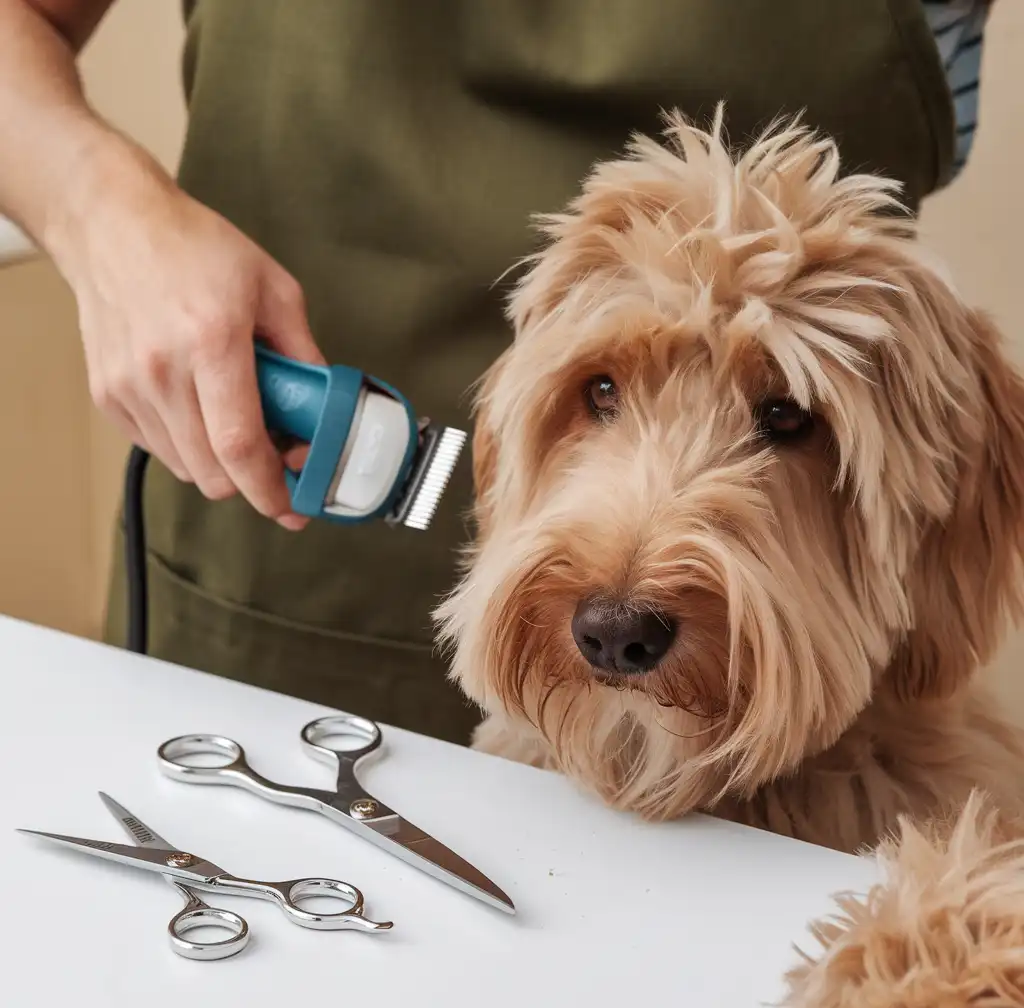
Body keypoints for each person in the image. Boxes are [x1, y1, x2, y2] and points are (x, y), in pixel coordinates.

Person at [0, 0, 990, 744]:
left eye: (774, 416)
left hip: (797, 713)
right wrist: (103, 213)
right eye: (600, 394)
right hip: (271, 581)